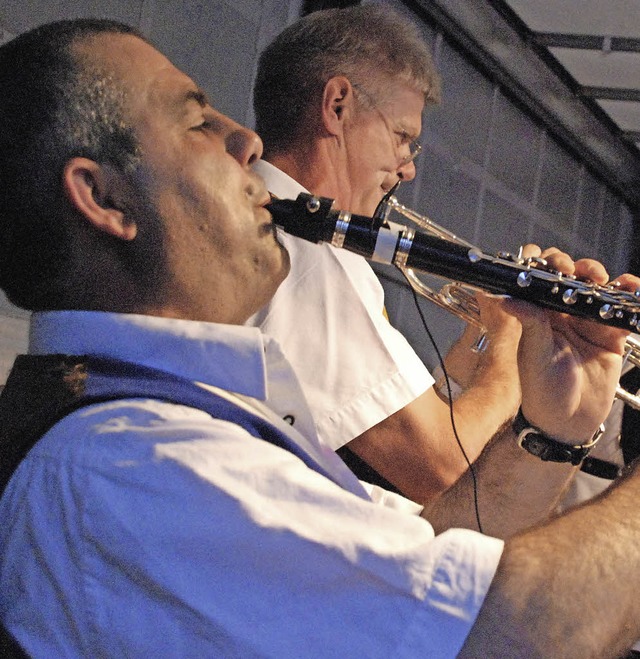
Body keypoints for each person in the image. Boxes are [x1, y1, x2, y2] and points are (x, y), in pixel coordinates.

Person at [1, 17, 640, 659]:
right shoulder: (131, 462)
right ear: (103, 197)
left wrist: (554, 430)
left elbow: (426, 549)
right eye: (198, 123)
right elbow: (513, 633)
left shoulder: (167, 417)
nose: (246, 140)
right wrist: (503, 346)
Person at [249, 5, 526, 503]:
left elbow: (409, 412)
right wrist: (516, 344)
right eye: (402, 138)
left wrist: (482, 339)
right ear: (337, 106)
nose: (407, 170)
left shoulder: (266, 228)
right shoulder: (309, 261)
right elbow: (445, 466)